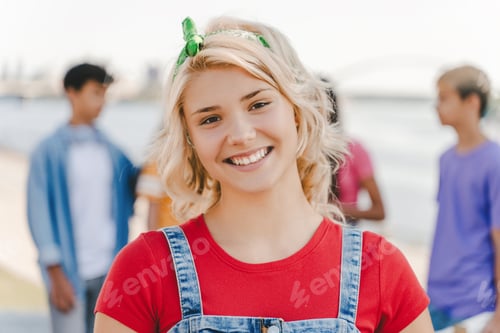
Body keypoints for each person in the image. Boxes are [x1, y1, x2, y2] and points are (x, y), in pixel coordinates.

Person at [94, 16, 433, 333]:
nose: (240, 134)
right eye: (210, 119)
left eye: (258, 105)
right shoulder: (143, 269)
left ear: (298, 113)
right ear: (190, 141)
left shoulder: (380, 269)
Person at [26, 63, 139, 333]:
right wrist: (55, 273)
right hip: (69, 272)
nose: (102, 101)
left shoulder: (113, 151)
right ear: (71, 93)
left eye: (104, 93)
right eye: (95, 92)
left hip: (109, 270)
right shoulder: (48, 151)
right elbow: (38, 212)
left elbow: (139, 185)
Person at [427, 65, 500, 333]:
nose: (437, 106)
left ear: (472, 102)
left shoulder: (494, 161)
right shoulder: (445, 159)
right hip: (436, 294)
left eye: (445, 98)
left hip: (476, 301)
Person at [321, 78, 386, 225]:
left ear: (332, 110)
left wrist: (332, 209)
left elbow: (379, 212)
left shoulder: (354, 149)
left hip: (346, 233)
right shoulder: (297, 150)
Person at [136, 160, 179, 230]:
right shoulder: (156, 163)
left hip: (187, 233)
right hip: (168, 233)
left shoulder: (156, 162)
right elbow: (151, 207)